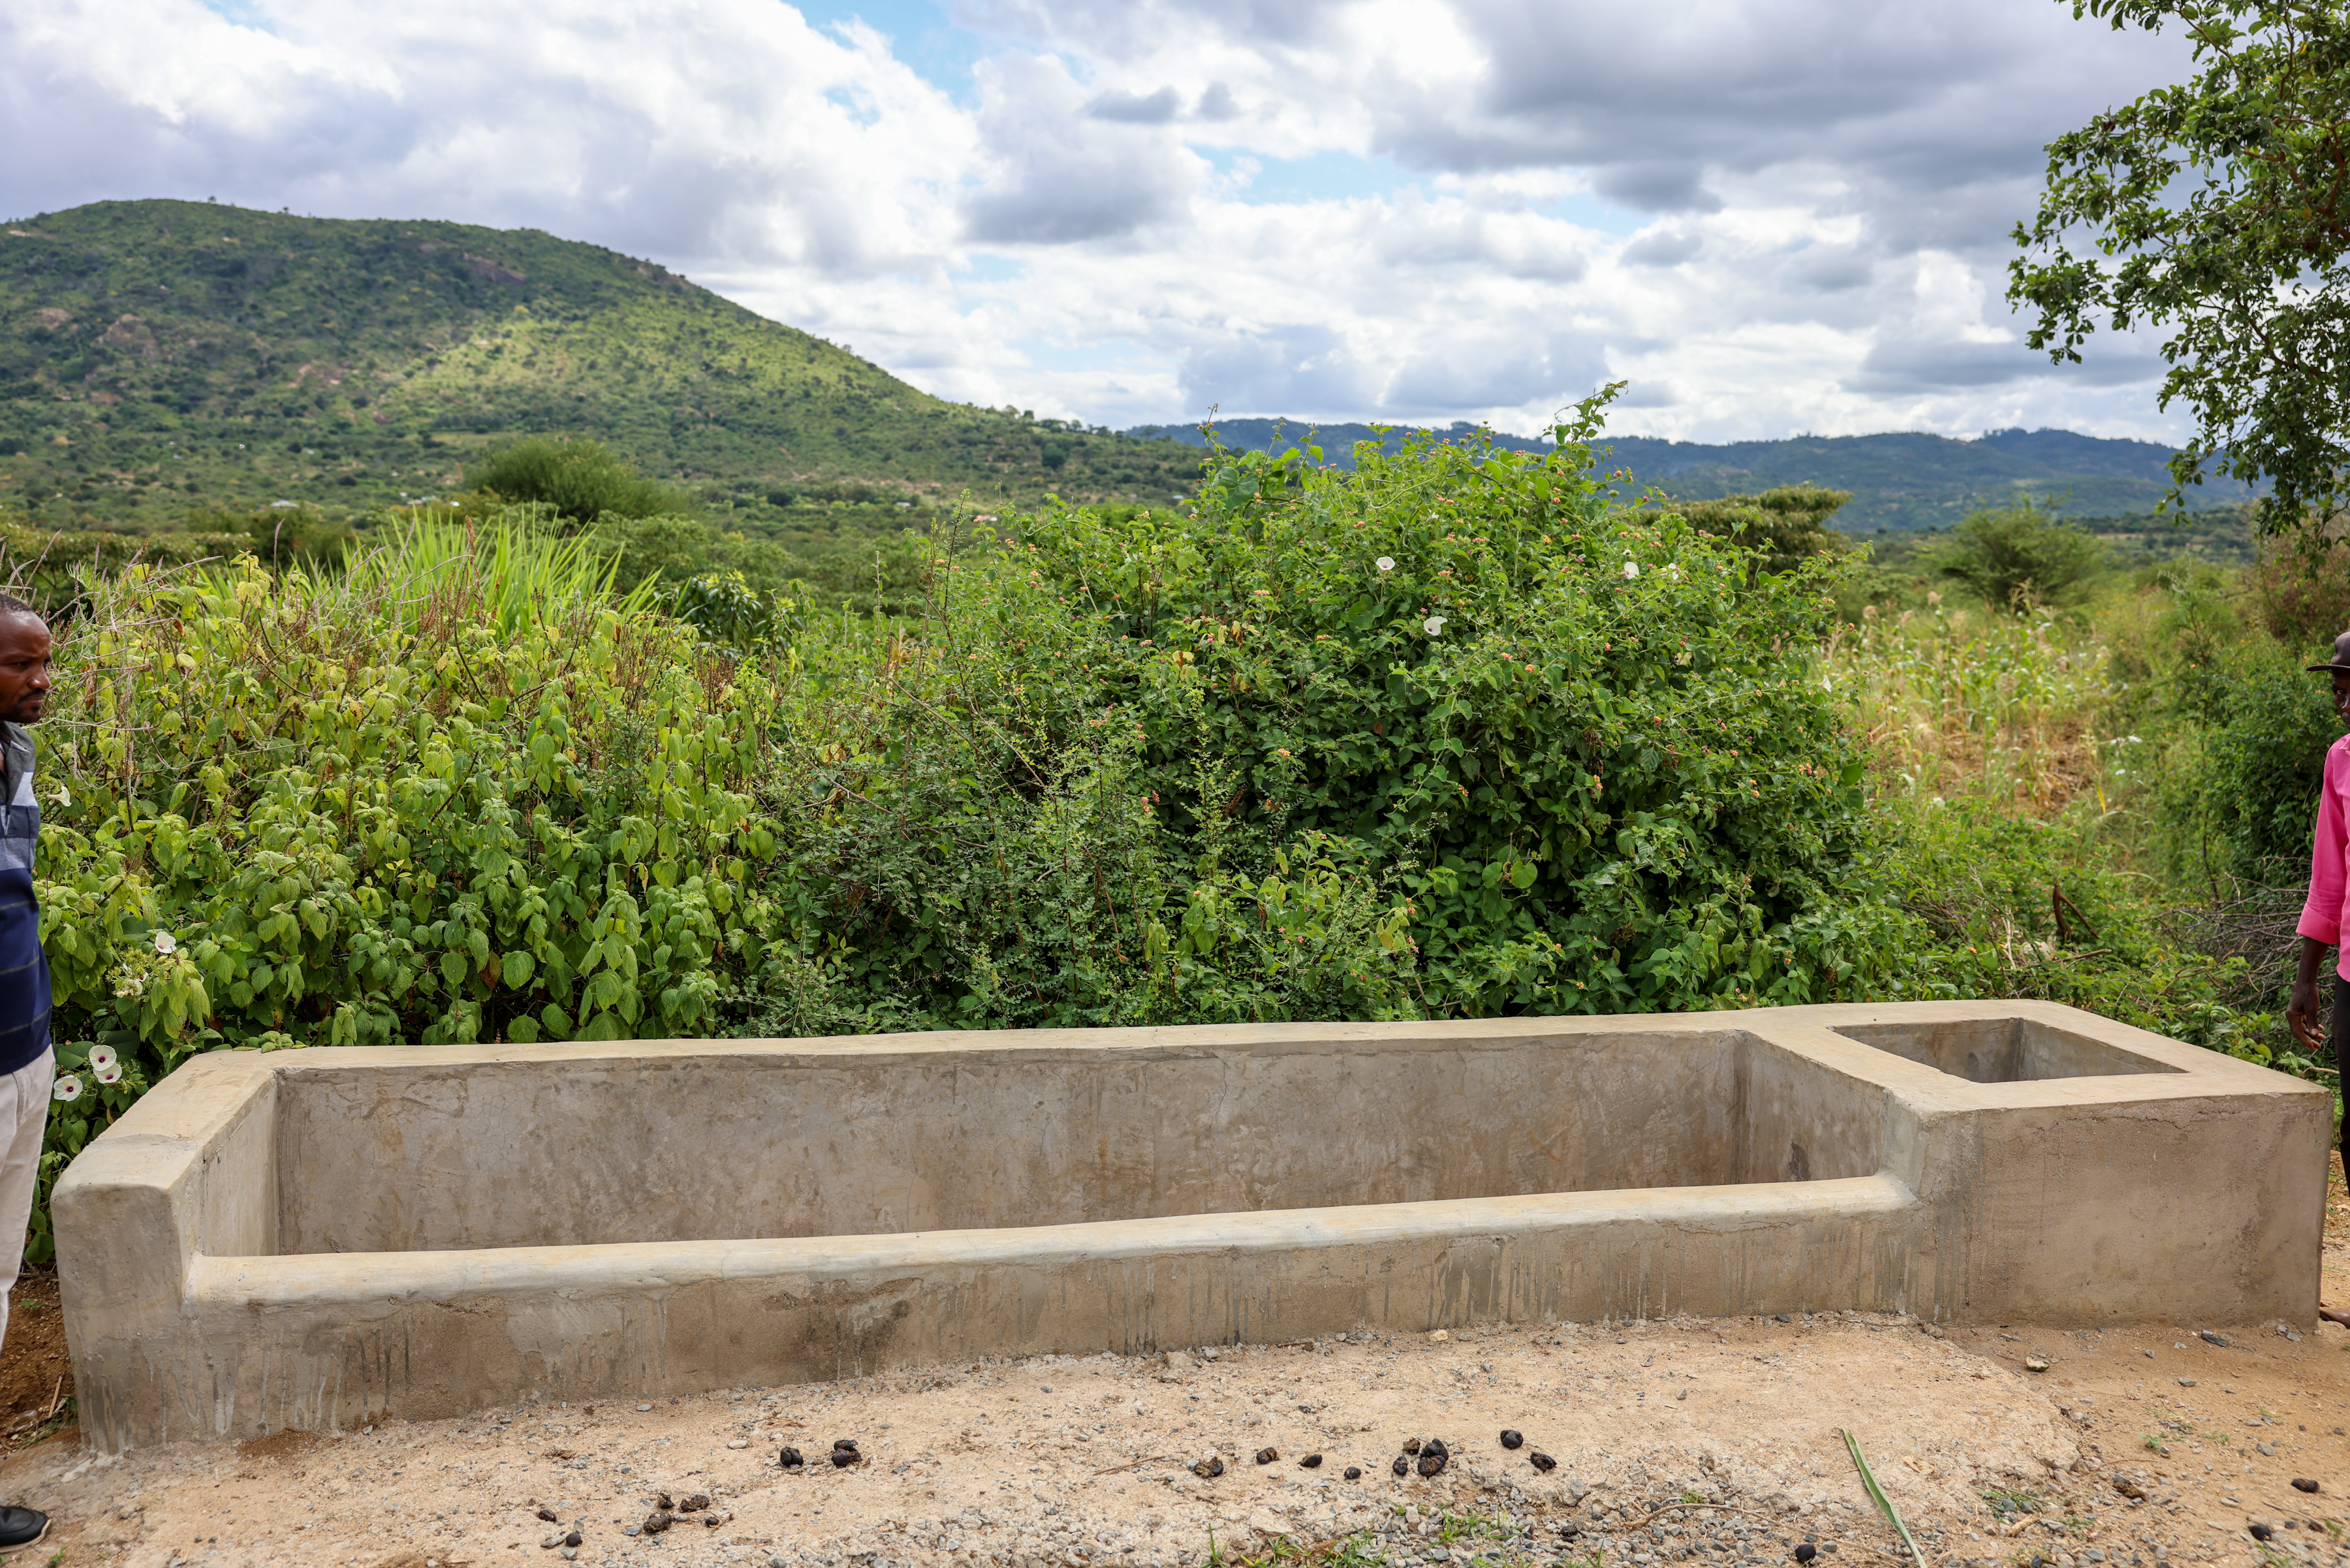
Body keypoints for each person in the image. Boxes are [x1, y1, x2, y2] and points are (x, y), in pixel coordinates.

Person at [0, 597, 55, 1549]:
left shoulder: (14, 761)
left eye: (45, 663)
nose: (41, 678)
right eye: (20, 664)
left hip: (25, 1054)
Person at [2289, 629, 2350, 1330]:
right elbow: (2329, 878)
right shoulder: (2341, 761)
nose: (2339, 704)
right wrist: (2307, 978)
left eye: (2347, 689)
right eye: (2336, 689)